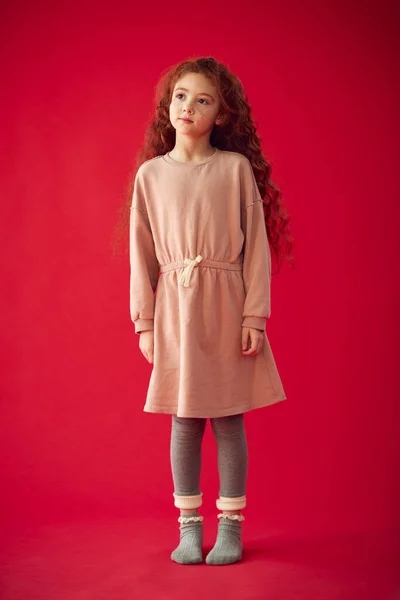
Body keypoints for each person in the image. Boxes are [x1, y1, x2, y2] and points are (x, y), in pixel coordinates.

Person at [128, 57, 293, 565]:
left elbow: (257, 248)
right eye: (180, 96)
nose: (189, 106)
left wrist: (254, 316)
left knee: (226, 418)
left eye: (203, 100)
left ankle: (231, 526)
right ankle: (188, 527)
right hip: (176, 307)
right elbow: (142, 252)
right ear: (167, 105)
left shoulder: (234, 169)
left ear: (221, 114)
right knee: (183, 419)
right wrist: (145, 322)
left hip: (226, 302)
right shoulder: (150, 175)